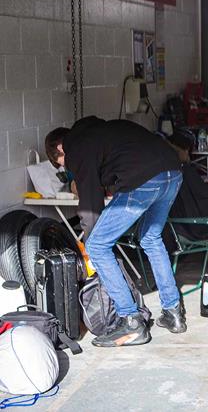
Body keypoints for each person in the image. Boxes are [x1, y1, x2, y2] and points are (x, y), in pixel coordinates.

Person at [44, 117, 185, 347]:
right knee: (150, 237)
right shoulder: (100, 132)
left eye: (62, 164)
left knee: (98, 246)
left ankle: (131, 321)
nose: (67, 169)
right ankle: (173, 313)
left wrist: (91, 245)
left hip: (143, 178)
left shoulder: (76, 146)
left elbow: (91, 206)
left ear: (60, 148)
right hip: (173, 171)